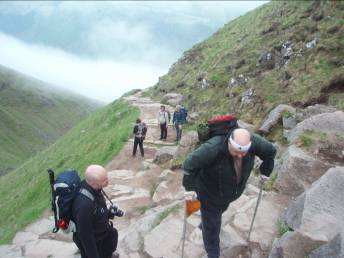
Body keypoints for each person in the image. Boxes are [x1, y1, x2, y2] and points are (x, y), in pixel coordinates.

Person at [182, 128, 276, 258]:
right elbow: (188, 165)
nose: (240, 156)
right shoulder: (213, 147)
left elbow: (270, 152)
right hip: (209, 193)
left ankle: (205, 223)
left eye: (244, 153)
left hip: (229, 193)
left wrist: (266, 171)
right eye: (236, 152)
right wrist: (189, 188)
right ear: (229, 143)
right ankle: (213, 253)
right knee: (212, 227)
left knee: (221, 210)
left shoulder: (253, 142)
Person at [72, 165, 119, 258]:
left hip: (102, 233)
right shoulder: (84, 205)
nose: (108, 182)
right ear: (94, 183)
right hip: (94, 240)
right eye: (104, 181)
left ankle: (108, 254)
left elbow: (96, 210)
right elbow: (86, 236)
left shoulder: (94, 188)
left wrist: (109, 213)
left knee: (113, 234)